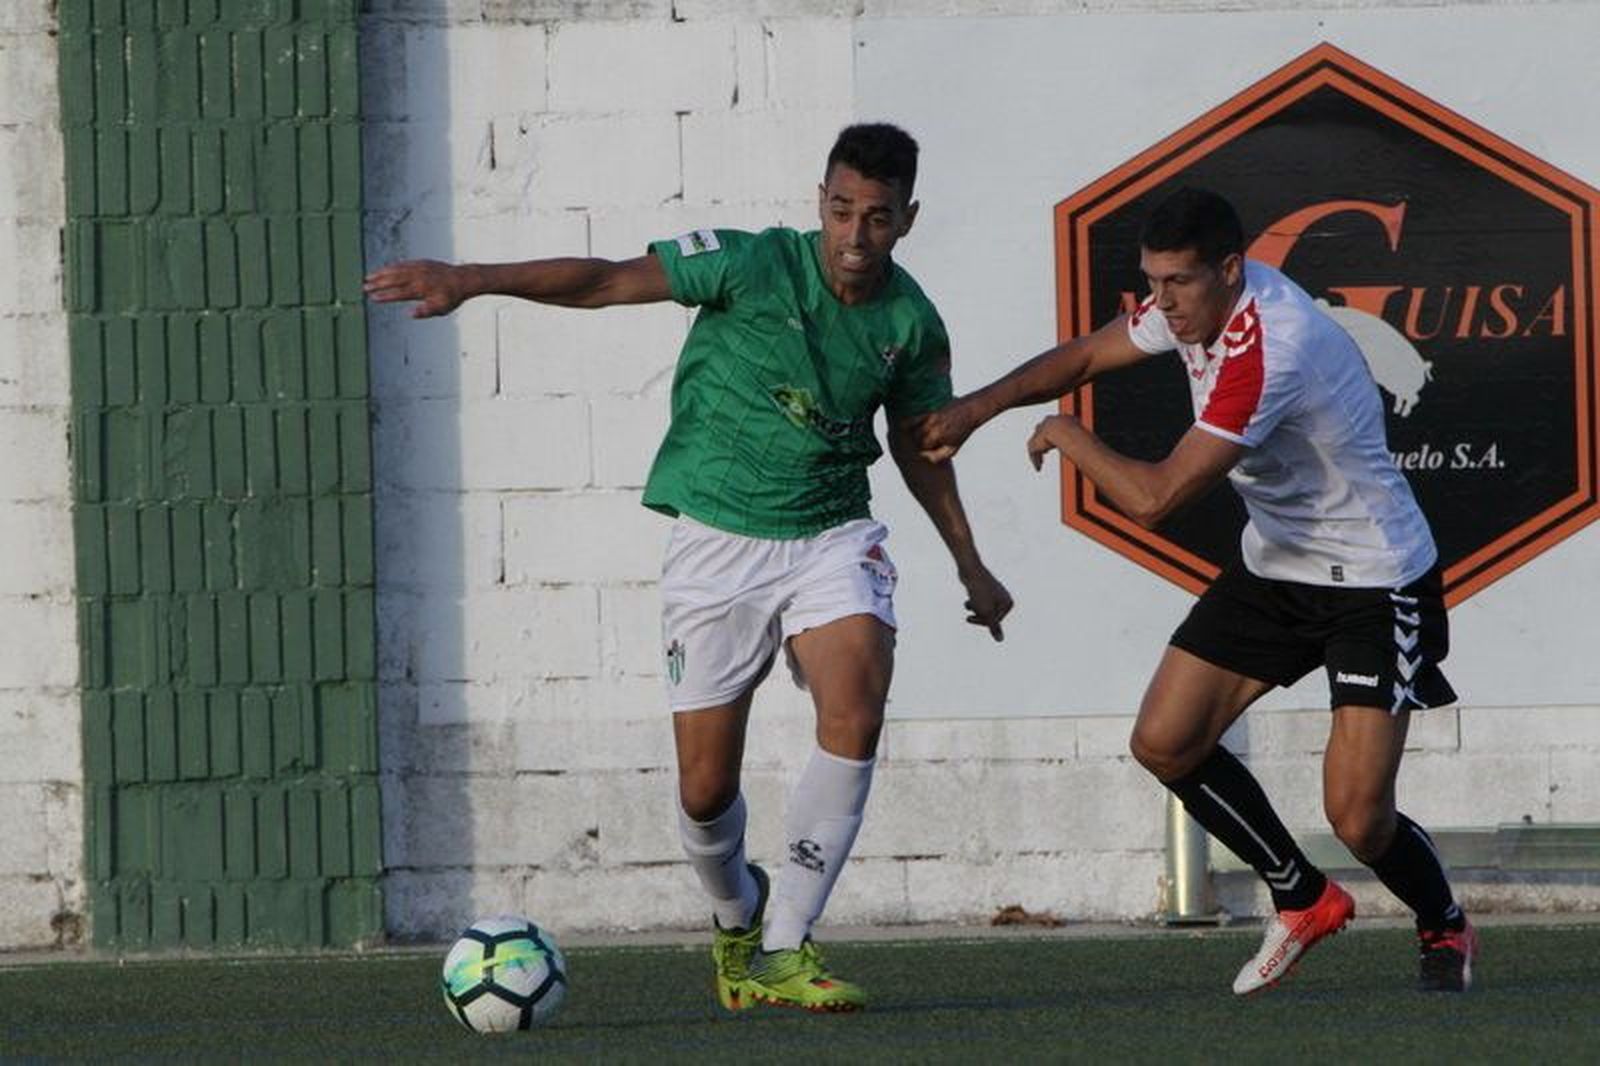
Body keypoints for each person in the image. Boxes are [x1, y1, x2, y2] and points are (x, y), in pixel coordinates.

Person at [366, 123, 1012, 1013]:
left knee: (856, 708)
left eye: (877, 218)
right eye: (840, 212)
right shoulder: (748, 265)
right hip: (717, 545)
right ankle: (737, 917)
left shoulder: (911, 322)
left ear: (908, 218)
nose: (855, 237)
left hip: (832, 536)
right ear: (818, 202)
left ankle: (786, 945)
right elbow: (604, 281)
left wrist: (969, 564)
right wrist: (472, 282)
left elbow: (920, 446)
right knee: (706, 792)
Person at [916, 186, 1477, 994]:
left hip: (1374, 580)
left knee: (1358, 817)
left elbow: (1156, 499)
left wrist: (1067, 432)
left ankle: (1444, 926)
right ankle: (1301, 895)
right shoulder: (1191, 310)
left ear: (1229, 269)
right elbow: (1082, 354)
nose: (1161, 302)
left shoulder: (1270, 348)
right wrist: (976, 409)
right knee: (1165, 741)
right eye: (1152, 281)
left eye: (1178, 282)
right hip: (1277, 564)